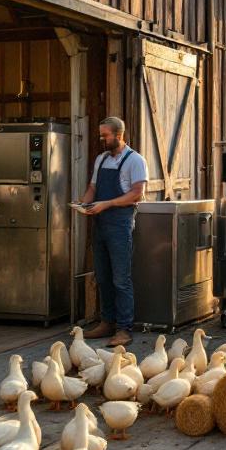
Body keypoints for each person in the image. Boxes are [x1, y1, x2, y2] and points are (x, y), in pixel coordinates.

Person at [78, 116, 148, 347]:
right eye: (101, 135)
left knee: (121, 279)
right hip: (100, 224)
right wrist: (84, 204)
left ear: (119, 135)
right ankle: (106, 322)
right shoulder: (101, 159)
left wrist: (106, 204)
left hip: (120, 224)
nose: (102, 140)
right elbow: (93, 188)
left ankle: (124, 329)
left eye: (105, 136)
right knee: (103, 277)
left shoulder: (135, 160)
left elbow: (137, 193)